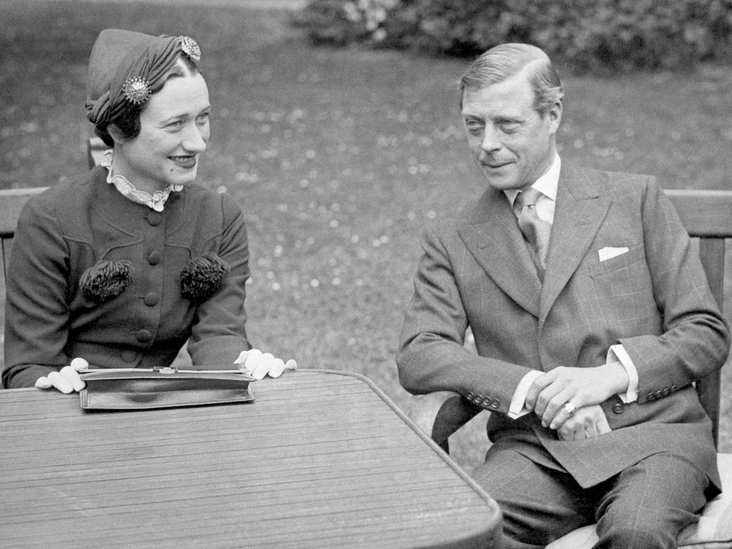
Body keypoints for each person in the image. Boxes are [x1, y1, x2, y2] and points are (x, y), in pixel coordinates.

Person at [396, 43, 730, 548]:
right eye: (473, 125)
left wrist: (605, 378)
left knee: (636, 531)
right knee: (461, 531)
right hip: (536, 453)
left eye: (507, 125)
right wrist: (536, 390)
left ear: (552, 115)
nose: (487, 144)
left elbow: (704, 331)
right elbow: (421, 352)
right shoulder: (454, 238)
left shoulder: (633, 199)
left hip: (655, 440)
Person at [2, 29, 291, 393]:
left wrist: (243, 369)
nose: (198, 142)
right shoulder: (51, 220)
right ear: (118, 129)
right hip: (69, 414)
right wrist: (52, 384)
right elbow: (28, 368)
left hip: (165, 416)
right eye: (175, 124)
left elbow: (221, 335)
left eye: (202, 118)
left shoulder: (219, 218)